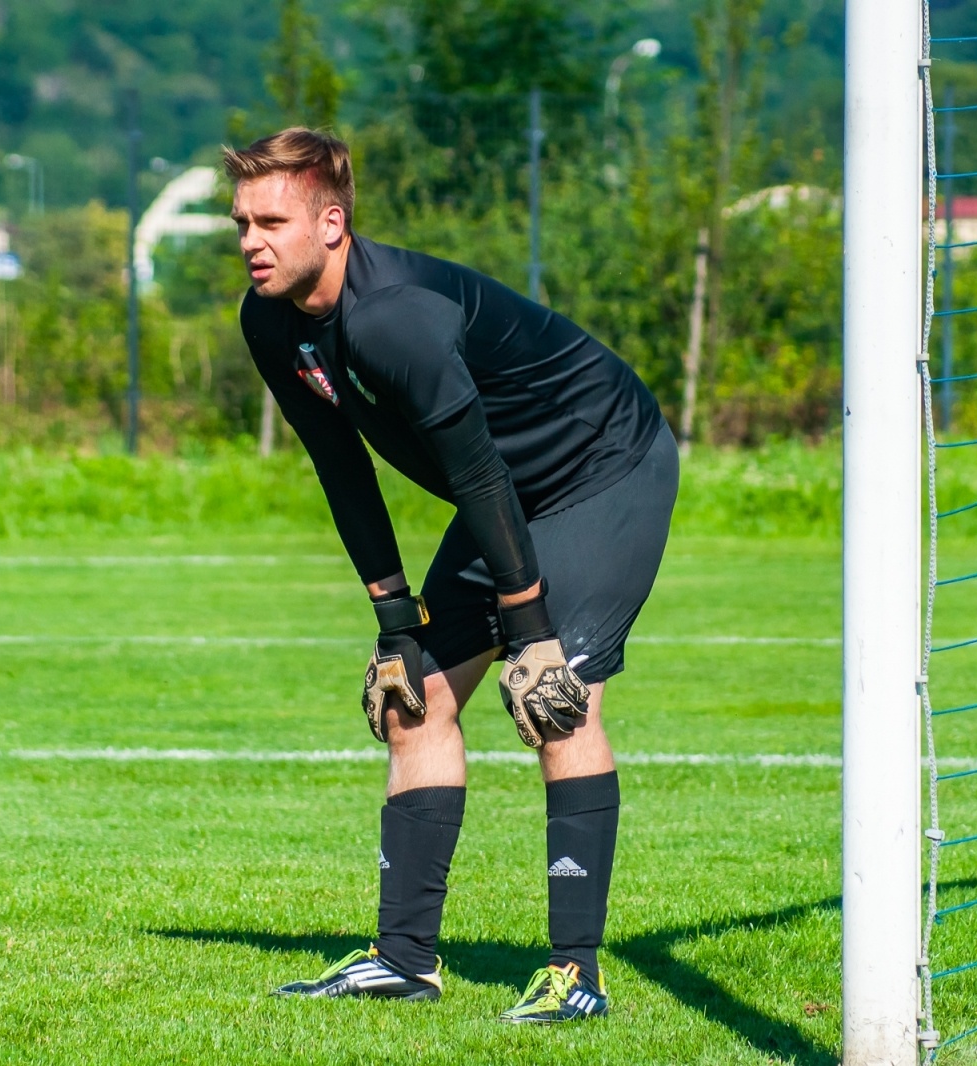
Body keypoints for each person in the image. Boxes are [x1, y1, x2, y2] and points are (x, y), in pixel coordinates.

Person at [226, 127, 677, 1024]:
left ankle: (574, 976)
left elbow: (475, 474)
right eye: (240, 222)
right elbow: (340, 468)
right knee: (414, 700)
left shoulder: (395, 316)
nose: (251, 241)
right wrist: (394, 622)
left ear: (333, 222)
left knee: (555, 698)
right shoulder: (269, 322)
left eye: (271, 220)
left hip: (603, 463)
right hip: (506, 494)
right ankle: (403, 960)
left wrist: (535, 631)